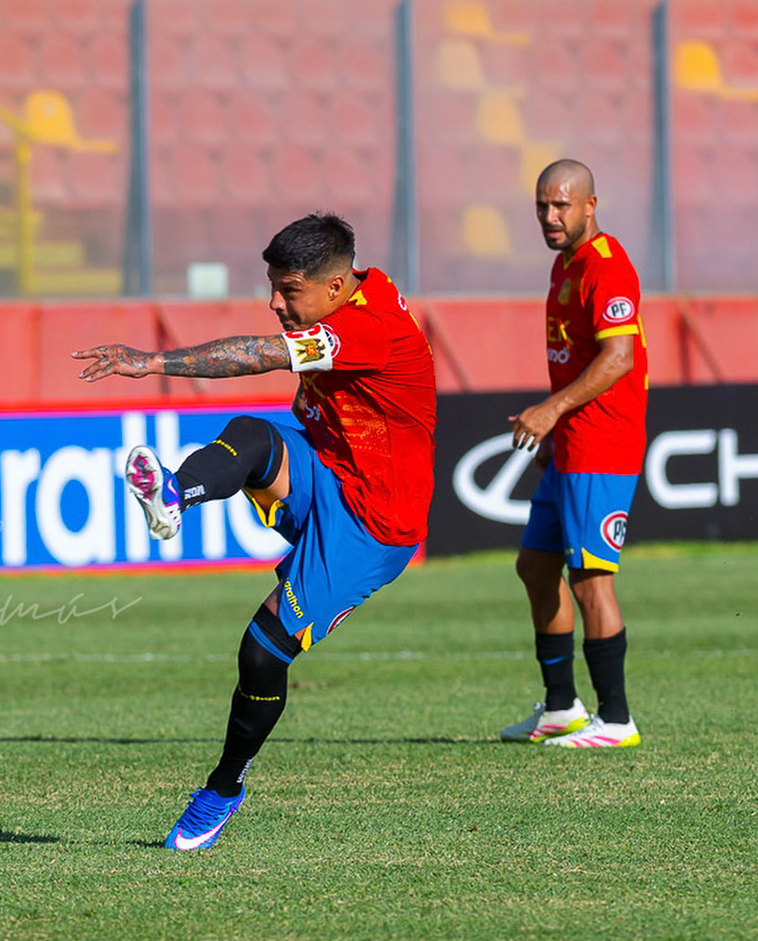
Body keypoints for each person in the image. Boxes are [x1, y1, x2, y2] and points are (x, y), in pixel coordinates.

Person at [73, 213, 436, 850]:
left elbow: (263, 355)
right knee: (250, 435)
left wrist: (151, 362)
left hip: (372, 523)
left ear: (333, 288)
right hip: (327, 468)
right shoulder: (359, 288)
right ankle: (173, 494)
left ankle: (223, 787)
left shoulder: (369, 326)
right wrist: (312, 401)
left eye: (287, 290)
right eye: (272, 287)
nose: (274, 302)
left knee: (261, 653)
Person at [498, 160, 645, 749]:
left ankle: (616, 721)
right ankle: (561, 709)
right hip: (571, 444)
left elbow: (619, 359)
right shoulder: (566, 264)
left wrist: (551, 411)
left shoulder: (607, 269)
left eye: (561, 205)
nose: (550, 217)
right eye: (542, 206)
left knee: (590, 579)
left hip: (603, 442)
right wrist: (557, 432)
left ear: (590, 205)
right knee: (535, 566)